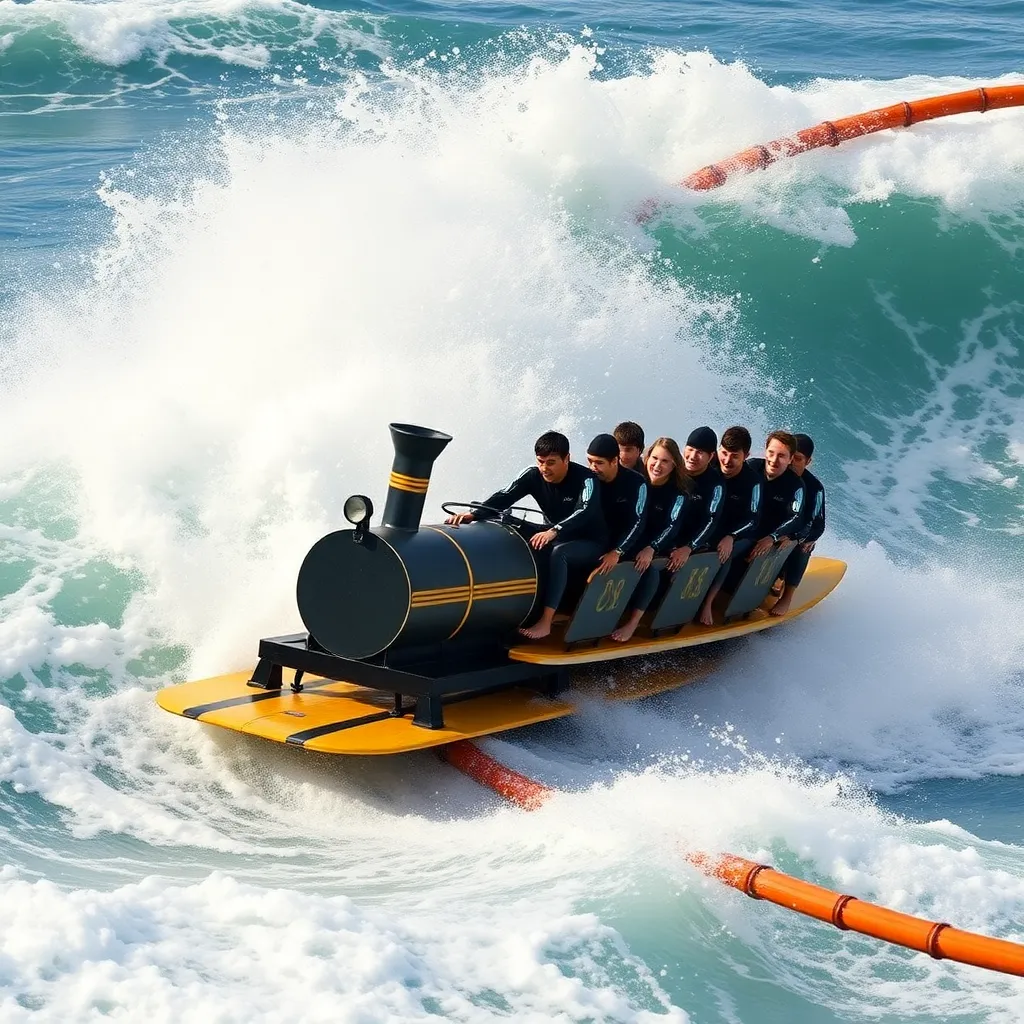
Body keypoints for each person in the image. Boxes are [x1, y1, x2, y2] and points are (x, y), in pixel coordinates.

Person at [445, 431, 607, 639]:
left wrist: (554, 530)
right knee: (516, 528)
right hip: (556, 533)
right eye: (540, 462)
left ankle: (546, 621)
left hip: (590, 541)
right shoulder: (533, 475)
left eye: (551, 462)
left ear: (567, 459)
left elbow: (585, 511)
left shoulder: (587, 479)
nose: (544, 469)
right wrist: (473, 514)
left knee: (560, 554)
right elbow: (505, 495)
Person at [610, 438, 694, 642]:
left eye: (665, 461)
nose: (657, 465)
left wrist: (652, 548)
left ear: (674, 464)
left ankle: (633, 622)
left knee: (649, 571)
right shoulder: (636, 481)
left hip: (660, 544)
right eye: (654, 458)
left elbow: (672, 526)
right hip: (632, 540)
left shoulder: (678, 493)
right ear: (646, 458)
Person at [697, 426, 762, 626]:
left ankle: (708, 603)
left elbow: (753, 520)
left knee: (724, 554)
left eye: (734, 456)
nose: (727, 460)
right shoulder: (710, 468)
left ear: (746, 456)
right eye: (724, 453)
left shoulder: (753, 482)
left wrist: (731, 536)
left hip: (742, 534)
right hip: (712, 528)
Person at [739, 431, 806, 608]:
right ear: (765, 451)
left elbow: (796, 517)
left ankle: (784, 592)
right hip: (744, 531)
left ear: (791, 459)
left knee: (804, 545)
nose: (774, 460)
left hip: (768, 540)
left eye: (782, 456)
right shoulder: (751, 467)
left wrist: (773, 537)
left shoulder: (796, 485)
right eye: (771, 453)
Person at [770, 432, 825, 617]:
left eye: (799, 459)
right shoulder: (776, 474)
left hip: (799, 535)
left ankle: (787, 596)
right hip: (775, 530)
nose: (792, 463)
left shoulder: (814, 488)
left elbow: (818, 525)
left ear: (808, 461)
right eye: (790, 457)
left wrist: (796, 537)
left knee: (805, 546)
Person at [585, 433, 648, 575]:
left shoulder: (637, 483)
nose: (593, 467)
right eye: (590, 461)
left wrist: (617, 551)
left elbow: (638, 522)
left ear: (614, 461)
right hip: (596, 541)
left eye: (599, 463)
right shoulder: (588, 478)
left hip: (624, 546)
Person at [677, 426, 725, 564]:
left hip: (694, 543)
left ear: (710, 456)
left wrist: (690, 547)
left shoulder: (715, 484)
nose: (692, 456)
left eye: (699, 452)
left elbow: (711, 520)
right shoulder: (674, 472)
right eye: (690, 449)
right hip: (670, 538)